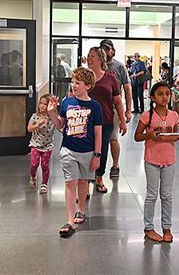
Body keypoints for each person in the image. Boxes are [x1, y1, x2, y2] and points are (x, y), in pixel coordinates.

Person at [47, 67, 103, 238]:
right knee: (70, 183)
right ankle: (70, 220)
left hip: (87, 152)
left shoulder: (95, 107)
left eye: (77, 83)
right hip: (68, 151)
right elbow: (60, 125)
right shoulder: (67, 103)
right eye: (73, 82)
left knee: (83, 181)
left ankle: (81, 210)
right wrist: (51, 112)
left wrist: (97, 155)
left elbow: (98, 133)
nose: (73, 85)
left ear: (88, 86)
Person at [134, 82, 179, 242]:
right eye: (160, 94)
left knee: (167, 195)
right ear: (153, 97)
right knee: (151, 195)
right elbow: (137, 136)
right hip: (152, 160)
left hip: (169, 160)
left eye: (167, 94)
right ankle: (149, 227)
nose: (164, 97)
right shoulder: (146, 116)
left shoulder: (174, 115)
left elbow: (175, 133)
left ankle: (167, 227)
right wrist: (149, 135)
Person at [87, 47, 127, 193]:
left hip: (106, 120)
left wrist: (122, 120)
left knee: (102, 150)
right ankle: (85, 181)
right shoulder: (84, 77)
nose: (89, 58)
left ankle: (99, 178)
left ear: (100, 59)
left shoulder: (110, 78)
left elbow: (117, 101)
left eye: (92, 56)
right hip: (86, 121)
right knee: (86, 151)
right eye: (88, 56)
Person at [100, 39, 132, 180]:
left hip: (113, 108)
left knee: (113, 139)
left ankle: (115, 165)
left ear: (113, 51)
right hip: (98, 109)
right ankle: (97, 169)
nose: (105, 52)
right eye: (103, 49)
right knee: (97, 140)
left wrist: (128, 110)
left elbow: (127, 88)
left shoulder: (119, 67)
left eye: (108, 49)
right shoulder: (97, 67)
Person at [27, 94, 56, 194]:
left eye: (45, 104)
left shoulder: (52, 118)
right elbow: (29, 128)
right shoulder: (35, 116)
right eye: (41, 103)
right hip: (35, 144)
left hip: (48, 145)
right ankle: (33, 176)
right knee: (34, 164)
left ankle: (44, 184)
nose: (42, 106)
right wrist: (37, 124)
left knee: (44, 165)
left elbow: (60, 127)